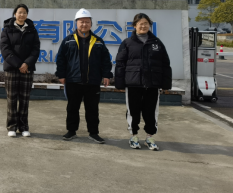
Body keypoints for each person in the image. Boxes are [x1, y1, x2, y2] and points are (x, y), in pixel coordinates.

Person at [114, 13, 172, 151]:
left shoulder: (157, 43)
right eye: (141, 23)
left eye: (146, 23)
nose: (143, 26)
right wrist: (119, 83)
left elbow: (165, 64)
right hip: (133, 83)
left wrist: (166, 84)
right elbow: (120, 64)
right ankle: (133, 136)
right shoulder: (127, 43)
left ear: (149, 25)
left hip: (152, 84)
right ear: (135, 25)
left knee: (151, 111)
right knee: (133, 111)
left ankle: (149, 137)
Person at [56, 8, 113, 144]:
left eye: (87, 22)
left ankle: (93, 133)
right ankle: (71, 131)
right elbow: (61, 59)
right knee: (72, 108)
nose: (84, 24)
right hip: (73, 80)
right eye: (81, 22)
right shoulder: (68, 41)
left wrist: (106, 75)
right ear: (76, 23)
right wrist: (61, 75)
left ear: (91, 24)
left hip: (92, 82)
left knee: (92, 109)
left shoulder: (98, 41)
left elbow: (106, 60)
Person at [0, 4, 41, 138]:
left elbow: (36, 49)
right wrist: (19, 64)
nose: (22, 15)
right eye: (19, 12)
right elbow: (5, 49)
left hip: (27, 69)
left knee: (24, 99)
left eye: (24, 12)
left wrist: (27, 64)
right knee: (11, 98)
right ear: (15, 14)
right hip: (11, 69)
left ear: (27, 15)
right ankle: (12, 127)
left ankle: (24, 127)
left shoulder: (32, 30)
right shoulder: (7, 29)